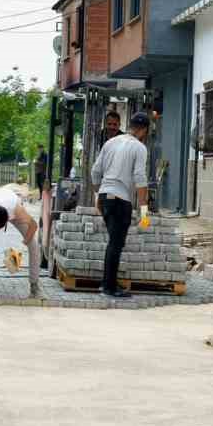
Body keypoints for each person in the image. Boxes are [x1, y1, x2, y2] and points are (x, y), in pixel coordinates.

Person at [90, 111, 150, 300]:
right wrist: (144, 213)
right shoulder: (139, 148)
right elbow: (140, 179)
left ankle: (109, 282)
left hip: (106, 197)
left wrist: (97, 195)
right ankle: (108, 287)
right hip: (120, 200)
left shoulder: (111, 142)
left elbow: (95, 171)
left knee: (114, 242)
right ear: (143, 130)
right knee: (116, 243)